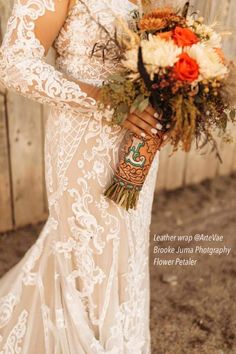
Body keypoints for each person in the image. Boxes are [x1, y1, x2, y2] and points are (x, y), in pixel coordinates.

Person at [0, 0, 167, 352]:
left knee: (128, 244)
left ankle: (122, 340)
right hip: (82, 141)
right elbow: (14, 65)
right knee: (85, 249)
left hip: (137, 141)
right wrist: (107, 101)